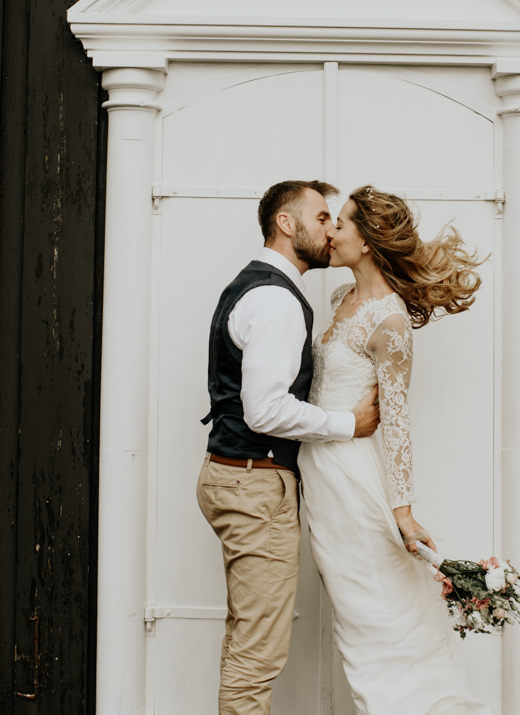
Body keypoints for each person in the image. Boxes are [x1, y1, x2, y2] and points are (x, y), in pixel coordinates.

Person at [299, 185, 491, 715]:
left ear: (367, 241)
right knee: (353, 611)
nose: (330, 233)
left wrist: (402, 511)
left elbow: (397, 422)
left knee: (373, 615)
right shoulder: (340, 300)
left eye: (340, 223)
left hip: (351, 478)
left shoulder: (391, 320)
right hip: (317, 473)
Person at [197, 180, 381, 715]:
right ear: (285, 223)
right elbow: (265, 410)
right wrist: (348, 423)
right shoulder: (277, 299)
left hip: (232, 476)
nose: (331, 229)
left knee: (244, 643)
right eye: (322, 217)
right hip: (254, 485)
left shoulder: (251, 285)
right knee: (257, 659)